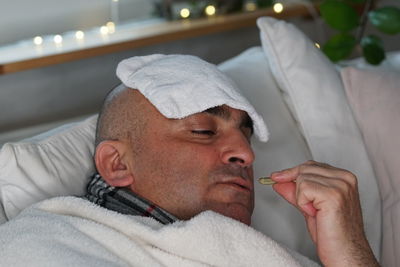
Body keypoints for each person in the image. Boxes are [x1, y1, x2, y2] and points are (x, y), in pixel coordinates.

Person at [0, 54, 378, 267]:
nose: (246, 154)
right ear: (116, 164)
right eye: (202, 131)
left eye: (245, 136)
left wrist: (350, 253)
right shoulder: (42, 248)